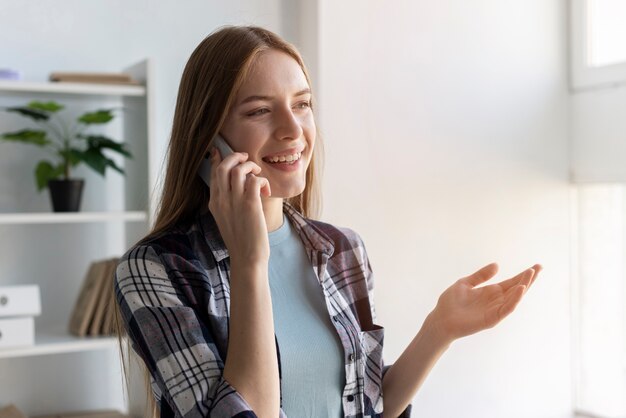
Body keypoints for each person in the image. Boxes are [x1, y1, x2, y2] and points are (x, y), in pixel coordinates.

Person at [113, 25, 542, 418]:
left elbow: (370, 405)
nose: (292, 129)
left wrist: (439, 329)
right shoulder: (154, 269)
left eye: (302, 104)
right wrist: (249, 262)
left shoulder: (342, 249)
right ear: (209, 144)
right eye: (260, 111)